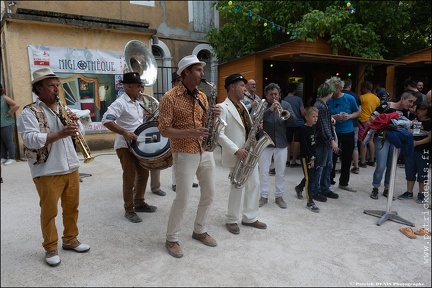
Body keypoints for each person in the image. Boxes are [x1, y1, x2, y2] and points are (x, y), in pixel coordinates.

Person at [16, 67, 90, 267]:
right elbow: (30, 139)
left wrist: (77, 125)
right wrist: (60, 134)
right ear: (38, 89)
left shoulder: (63, 108)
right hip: (47, 170)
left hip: (71, 167)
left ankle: (70, 240)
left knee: (72, 208)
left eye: (57, 85)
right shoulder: (29, 112)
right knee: (49, 212)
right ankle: (50, 247)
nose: (56, 89)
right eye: (51, 86)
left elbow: (79, 132)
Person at [158, 55, 221, 258]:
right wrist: (190, 133)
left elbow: (206, 122)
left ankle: (199, 230)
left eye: (202, 70)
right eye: (198, 70)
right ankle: (172, 239)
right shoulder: (169, 98)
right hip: (184, 152)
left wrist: (215, 116)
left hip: (204, 150)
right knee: (183, 198)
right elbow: (164, 130)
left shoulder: (202, 96)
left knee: (209, 193)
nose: (203, 74)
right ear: (186, 72)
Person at [102, 72, 157, 224]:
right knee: (129, 177)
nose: (141, 88)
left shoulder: (138, 101)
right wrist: (124, 132)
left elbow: (138, 120)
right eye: (138, 85)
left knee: (144, 173)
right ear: (127, 86)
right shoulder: (120, 103)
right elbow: (106, 120)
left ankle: (139, 202)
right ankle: (129, 209)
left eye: (141, 85)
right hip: (124, 146)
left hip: (139, 144)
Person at [217, 73, 267, 234]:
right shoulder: (222, 107)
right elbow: (219, 134)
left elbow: (245, 126)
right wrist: (236, 150)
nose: (244, 89)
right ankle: (231, 219)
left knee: (255, 184)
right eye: (241, 86)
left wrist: (255, 126)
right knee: (237, 185)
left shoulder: (243, 106)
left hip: (249, 151)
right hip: (238, 153)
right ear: (232, 87)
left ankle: (249, 217)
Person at [369, 90, 418, 200]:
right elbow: (372, 118)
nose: (411, 104)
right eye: (409, 101)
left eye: (413, 103)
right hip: (383, 138)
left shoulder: (407, 112)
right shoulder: (386, 105)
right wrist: (385, 123)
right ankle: (375, 187)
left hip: (397, 141)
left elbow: (407, 125)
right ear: (402, 99)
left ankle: (388, 189)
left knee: (392, 167)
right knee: (381, 165)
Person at [295, 82, 339, 202]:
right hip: (322, 142)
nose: (332, 93)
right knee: (318, 168)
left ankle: (324, 188)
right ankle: (314, 191)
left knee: (327, 166)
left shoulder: (323, 104)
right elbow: (323, 126)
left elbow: (325, 121)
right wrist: (332, 141)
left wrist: (331, 120)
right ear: (328, 92)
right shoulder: (320, 105)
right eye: (331, 91)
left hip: (325, 141)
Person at [258, 82, 296, 209]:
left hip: (281, 143)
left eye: (276, 94)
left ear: (280, 94)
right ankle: (263, 196)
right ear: (266, 95)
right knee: (263, 171)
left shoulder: (286, 105)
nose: (274, 97)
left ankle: (279, 196)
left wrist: (286, 113)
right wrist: (270, 110)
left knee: (281, 172)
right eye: (271, 94)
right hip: (265, 143)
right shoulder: (262, 105)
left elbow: (294, 120)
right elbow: (256, 119)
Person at [326, 76, 359, 192]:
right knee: (332, 158)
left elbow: (357, 112)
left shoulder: (349, 98)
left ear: (340, 88)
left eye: (333, 89)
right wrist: (333, 117)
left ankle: (344, 182)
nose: (331, 91)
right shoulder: (328, 99)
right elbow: (321, 114)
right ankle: (329, 182)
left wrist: (349, 116)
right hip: (333, 132)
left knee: (347, 158)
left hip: (348, 131)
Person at [168, 72, 198, 192]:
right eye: (178, 81)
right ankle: (175, 183)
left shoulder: (192, 94)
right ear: (175, 82)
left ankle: (191, 180)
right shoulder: (170, 96)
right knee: (177, 161)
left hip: (191, 136)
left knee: (193, 159)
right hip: (176, 135)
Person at [135, 90, 167, 197]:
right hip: (138, 133)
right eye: (137, 87)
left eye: (141, 87)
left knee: (155, 157)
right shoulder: (131, 102)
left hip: (151, 131)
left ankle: (155, 187)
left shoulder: (149, 101)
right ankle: (136, 187)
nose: (139, 90)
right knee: (138, 161)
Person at [398, 101, 431, 203]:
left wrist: (417, 143)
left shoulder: (430, 122)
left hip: (424, 150)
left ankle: (422, 194)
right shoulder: (415, 121)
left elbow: (430, 138)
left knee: (422, 172)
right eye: (419, 109)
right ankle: (409, 191)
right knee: (410, 171)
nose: (419, 111)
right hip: (411, 150)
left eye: (422, 109)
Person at [298, 106, 320, 212]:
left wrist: (314, 157)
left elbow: (314, 144)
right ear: (306, 117)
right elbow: (305, 146)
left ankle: (299, 188)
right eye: (313, 116)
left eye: (316, 116)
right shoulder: (303, 129)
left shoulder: (314, 127)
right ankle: (309, 201)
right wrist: (311, 157)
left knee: (310, 176)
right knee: (309, 178)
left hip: (313, 156)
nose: (315, 118)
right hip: (306, 157)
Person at [358, 81, 380, 167]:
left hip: (363, 120)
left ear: (365, 88)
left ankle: (363, 161)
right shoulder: (376, 98)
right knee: (371, 140)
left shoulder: (362, 98)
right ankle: (371, 160)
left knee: (363, 140)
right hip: (373, 121)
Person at [341, 79, 361, 174]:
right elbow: (359, 111)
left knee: (339, 146)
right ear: (350, 86)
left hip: (340, 124)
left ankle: (339, 165)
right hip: (354, 123)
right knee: (354, 146)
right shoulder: (355, 96)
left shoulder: (337, 95)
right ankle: (356, 166)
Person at [283, 83, 305, 167]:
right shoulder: (298, 99)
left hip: (288, 123)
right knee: (297, 142)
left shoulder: (284, 100)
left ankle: (287, 160)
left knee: (288, 142)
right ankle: (294, 161)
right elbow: (302, 112)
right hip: (298, 123)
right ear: (294, 91)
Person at [1, 83, 20, 165]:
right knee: (1, 142)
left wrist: (9, 113)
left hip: (7, 123)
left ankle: (12, 158)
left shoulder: (4, 98)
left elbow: (16, 105)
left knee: (8, 141)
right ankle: (3, 157)